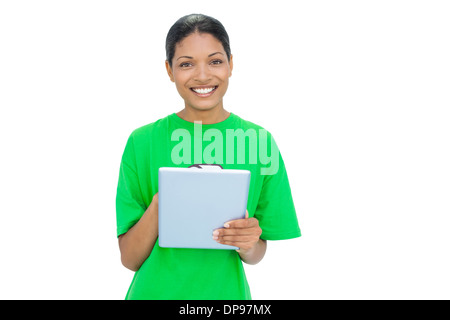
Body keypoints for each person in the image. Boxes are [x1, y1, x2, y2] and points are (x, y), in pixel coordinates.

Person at [116, 13, 301, 300]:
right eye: (186, 64)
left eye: (215, 61)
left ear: (231, 64)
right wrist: (165, 199)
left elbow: (256, 254)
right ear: (169, 70)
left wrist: (249, 242)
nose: (202, 75)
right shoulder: (142, 142)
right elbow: (129, 259)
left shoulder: (260, 143)